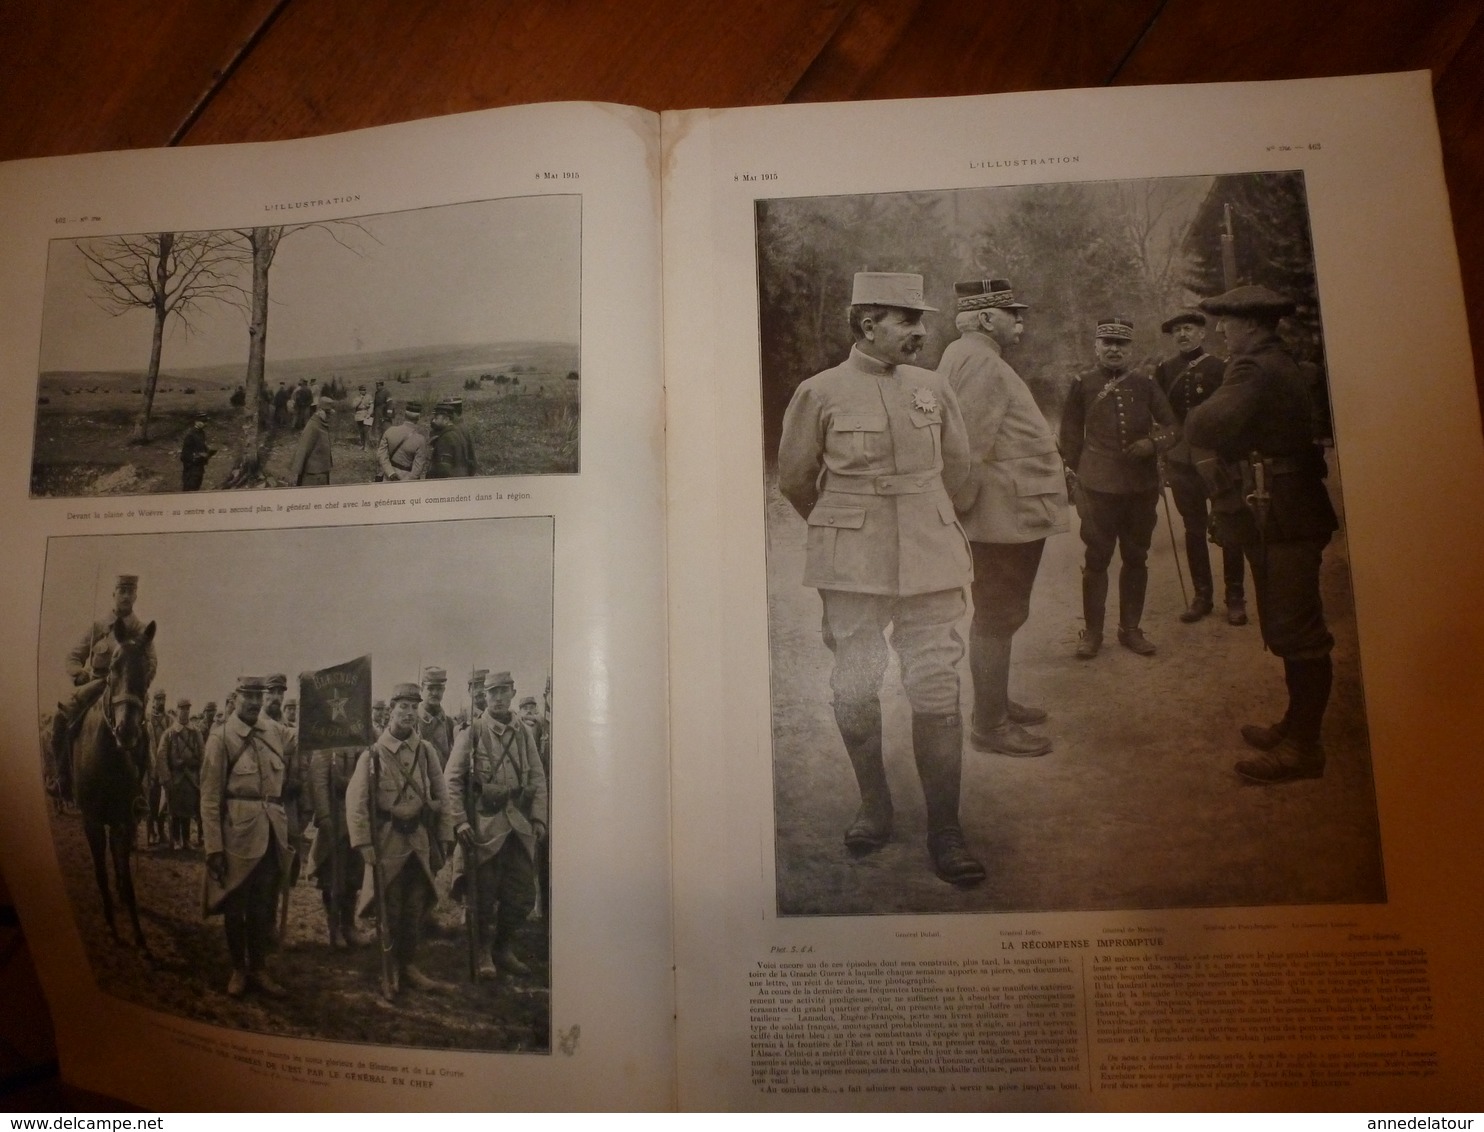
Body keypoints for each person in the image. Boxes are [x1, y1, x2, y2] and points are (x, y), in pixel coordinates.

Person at [777, 271, 982, 886]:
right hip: (854, 567)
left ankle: (946, 828)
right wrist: (848, 532)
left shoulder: (934, 387)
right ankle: (875, 804)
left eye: (922, 320)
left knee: (937, 690)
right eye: (909, 321)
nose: (922, 332)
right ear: (869, 325)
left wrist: (931, 519)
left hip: (930, 559)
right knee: (856, 687)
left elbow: (963, 471)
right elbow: (794, 478)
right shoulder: (819, 392)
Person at [1185, 285, 1339, 783]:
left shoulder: (1253, 368)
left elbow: (1206, 423)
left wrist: (1205, 419)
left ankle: (1304, 748)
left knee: (1298, 630)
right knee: (1286, 623)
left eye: (1227, 322)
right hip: (1287, 510)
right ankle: (1296, 725)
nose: (1221, 331)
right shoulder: (1282, 362)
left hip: (1285, 515)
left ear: (1250, 325)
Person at [938, 277, 1068, 757]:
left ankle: (994, 704)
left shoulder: (970, 355)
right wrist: (955, 515)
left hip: (1005, 513)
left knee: (1002, 613)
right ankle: (990, 725)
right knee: (1000, 613)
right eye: (1015, 314)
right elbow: (967, 449)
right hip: (1001, 519)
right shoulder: (983, 363)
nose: (1022, 322)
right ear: (988, 318)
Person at [1059, 317, 1177, 658]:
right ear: (1096, 346)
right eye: (1107, 342)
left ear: (1130, 348)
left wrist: (1152, 445)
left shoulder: (1145, 384)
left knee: (1136, 557)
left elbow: (1172, 426)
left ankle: (1130, 630)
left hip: (1140, 487)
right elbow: (1069, 436)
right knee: (1096, 558)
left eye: (1121, 344)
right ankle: (1092, 633)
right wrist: (1076, 477)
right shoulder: (1082, 384)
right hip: (1098, 488)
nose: (1114, 349)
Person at [346, 682, 454, 997]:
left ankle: (408, 965)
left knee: (415, 907)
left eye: (413, 707)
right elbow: (357, 803)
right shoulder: (373, 754)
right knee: (389, 909)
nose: (408, 713)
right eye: (402, 707)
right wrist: (364, 844)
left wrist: (444, 835)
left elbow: (442, 796)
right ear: (391, 710)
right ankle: (389, 968)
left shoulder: (426, 751)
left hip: (418, 842)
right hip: (388, 843)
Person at [445, 669, 548, 978]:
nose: (499, 698)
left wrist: (539, 817)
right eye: (493, 693)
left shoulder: (524, 733)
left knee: (521, 896)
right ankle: (483, 953)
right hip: (485, 827)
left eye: (504, 692)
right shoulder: (472, 733)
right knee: (483, 897)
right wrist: (460, 821)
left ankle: (503, 948)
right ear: (484, 697)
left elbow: (538, 778)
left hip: (517, 825)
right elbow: (452, 780)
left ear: (513, 693)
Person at [1155, 309, 1247, 625]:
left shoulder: (1221, 368)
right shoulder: (1164, 371)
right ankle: (1201, 596)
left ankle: (1235, 597)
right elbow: (1162, 418)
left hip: (1217, 461)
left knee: (1230, 528)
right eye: (1177, 330)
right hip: (1182, 462)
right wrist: (1163, 449)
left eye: (1189, 329)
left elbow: (1232, 415)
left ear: (1202, 334)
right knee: (1193, 529)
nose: (1182, 335)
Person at [202, 677, 289, 997]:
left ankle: (260, 968)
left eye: (258, 696)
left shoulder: (274, 733)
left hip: (270, 833)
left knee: (263, 905)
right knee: (236, 906)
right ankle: (239, 968)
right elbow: (209, 798)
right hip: (236, 836)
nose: (254, 702)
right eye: (248, 696)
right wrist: (213, 847)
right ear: (235, 697)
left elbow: (308, 743)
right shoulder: (220, 738)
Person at [52, 574, 158, 803]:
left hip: (127, 693)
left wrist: (138, 686)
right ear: (114, 594)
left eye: (131, 592)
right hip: (97, 685)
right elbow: (73, 656)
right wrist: (78, 672)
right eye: (122, 591)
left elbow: (151, 663)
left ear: (136, 596)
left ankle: (141, 789)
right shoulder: (99, 627)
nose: (126, 596)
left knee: (144, 731)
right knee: (61, 717)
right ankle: (63, 777)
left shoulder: (142, 630)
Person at [307, 745, 364, 949]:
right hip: (335, 816)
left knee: (354, 874)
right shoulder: (326, 745)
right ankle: (334, 927)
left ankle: (349, 925)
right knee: (333, 877)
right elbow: (318, 781)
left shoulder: (363, 738)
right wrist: (324, 816)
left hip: (358, 816)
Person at [160, 697, 202, 851]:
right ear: (177, 710)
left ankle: (186, 840)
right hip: (175, 778)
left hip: (191, 778)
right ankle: (175, 840)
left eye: (187, 709)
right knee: (174, 811)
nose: (185, 712)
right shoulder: (169, 733)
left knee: (188, 809)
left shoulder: (196, 732)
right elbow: (161, 757)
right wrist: (166, 778)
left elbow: (203, 755)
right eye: (182, 709)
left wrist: (201, 777)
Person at [144, 690, 171, 847]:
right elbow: (151, 747)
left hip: (165, 765)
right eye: (158, 699)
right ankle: (151, 833)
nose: (161, 702)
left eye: (163, 699)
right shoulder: (147, 720)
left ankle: (161, 831)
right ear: (153, 701)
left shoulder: (169, 719)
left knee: (165, 802)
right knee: (151, 801)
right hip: (151, 766)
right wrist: (154, 769)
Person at [417, 666, 456, 772]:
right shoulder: (412, 722)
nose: (435, 693)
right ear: (422, 689)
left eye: (439, 689)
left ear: (444, 690)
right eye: (430, 688)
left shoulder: (450, 724)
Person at [289, 396, 335, 487]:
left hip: (322, 471)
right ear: (319, 411)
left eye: (330, 412)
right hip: (313, 474)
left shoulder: (322, 423)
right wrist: (296, 472)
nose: (329, 415)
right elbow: (303, 448)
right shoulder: (313, 426)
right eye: (327, 412)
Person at [377, 402, 429, 482]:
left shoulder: (390, 431)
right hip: (408, 479)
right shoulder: (420, 439)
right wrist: (406, 481)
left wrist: (390, 473)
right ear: (418, 417)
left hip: (389, 476)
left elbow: (382, 455)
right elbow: (418, 468)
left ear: (404, 415)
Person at [428, 399, 477, 478]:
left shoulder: (447, 437)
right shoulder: (457, 431)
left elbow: (444, 469)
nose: (433, 420)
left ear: (446, 419)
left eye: (436, 417)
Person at [180, 414, 215, 492]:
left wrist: (208, 453)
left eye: (206, 421)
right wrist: (199, 455)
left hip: (199, 467)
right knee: (189, 489)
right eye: (203, 421)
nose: (205, 423)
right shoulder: (190, 435)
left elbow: (201, 447)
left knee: (197, 487)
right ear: (196, 422)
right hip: (191, 469)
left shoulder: (201, 433)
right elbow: (185, 455)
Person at [353, 385, 374, 449]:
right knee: (361, 431)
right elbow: (353, 406)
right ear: (359, 391)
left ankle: (367, 446)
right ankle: (362, 444)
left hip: (366, 414)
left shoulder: (369, 397)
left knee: (366, 431)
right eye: (362, 390)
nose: (364, 391)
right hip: (359, 415)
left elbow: (371, 406)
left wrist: (369, 414)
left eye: (364, 390)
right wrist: (360, 400)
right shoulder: (356, 398)